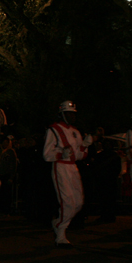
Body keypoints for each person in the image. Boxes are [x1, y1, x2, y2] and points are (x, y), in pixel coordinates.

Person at [43, 101, 93, 246]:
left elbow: (79, 156)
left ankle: (58, 222)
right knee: (68, 202)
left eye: (73, 114)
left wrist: (85, 145)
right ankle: (61, 233)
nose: (72, 116)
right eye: (69, 113)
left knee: (78, 202)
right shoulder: (53, 130)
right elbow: (47, 155)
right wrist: (61, 154)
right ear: (62, 114)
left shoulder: (76, 132)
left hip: (73, 168)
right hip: (60, 167)